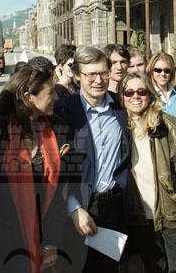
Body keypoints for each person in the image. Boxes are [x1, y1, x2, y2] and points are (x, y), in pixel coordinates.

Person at [0, 65, 82, 273]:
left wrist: (51, 242)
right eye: (50, 92)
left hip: (46, 237)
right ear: (28, 96)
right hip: (2, 242)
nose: (56, 98)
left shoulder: (57, 129)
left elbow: (59, 193)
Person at [54, 46, 131, 272]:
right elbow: (56, 169)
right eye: (91, 74)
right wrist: (74, 208)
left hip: (115, 207)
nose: (98, 80)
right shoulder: (62, 111)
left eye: (103, 73)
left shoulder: (121, 107)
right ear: (77, 76)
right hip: (78, 210)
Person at [118, 72, 176, 272]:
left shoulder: (169, 127)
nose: (135, 97)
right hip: (140, 219)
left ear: (150, 94)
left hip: (173, 217)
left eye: (141, 91)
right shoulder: (120, 128)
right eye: (129, 92)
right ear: (122, 97)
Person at [148, 52, 176, 116]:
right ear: (151, 71)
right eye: (158, 70)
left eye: (167, 70)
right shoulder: (148, 95)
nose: (163, 74)